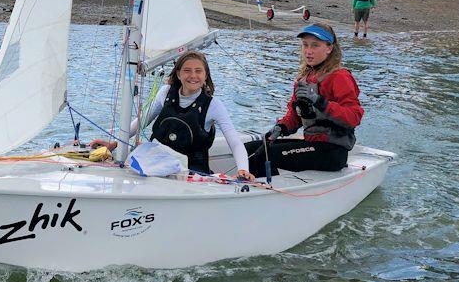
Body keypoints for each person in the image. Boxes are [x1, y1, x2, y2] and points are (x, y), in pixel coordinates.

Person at [239, 23, 364, 181]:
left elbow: (354, 117)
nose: (308, 51)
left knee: (267, 154)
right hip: (312, 145)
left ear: (329, 48)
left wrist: (320, 102)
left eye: (315, 46)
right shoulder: (303, 80)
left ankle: (262, 190)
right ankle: (263, 186)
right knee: (251, 148)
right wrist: (281, 127)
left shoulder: (340, 77)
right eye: (305, 45)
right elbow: (294, 116)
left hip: (332, 151)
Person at [91, 51, 250, 176]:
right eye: (187, 70)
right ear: (179, 74)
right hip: (156, 165)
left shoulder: (214, 105)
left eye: (198, 71)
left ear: (205, 75)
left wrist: (243, 169)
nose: (193, 76)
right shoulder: (166, 92)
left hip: (190, 174)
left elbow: (234, 142)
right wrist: (114, 143)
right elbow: (141, 121)